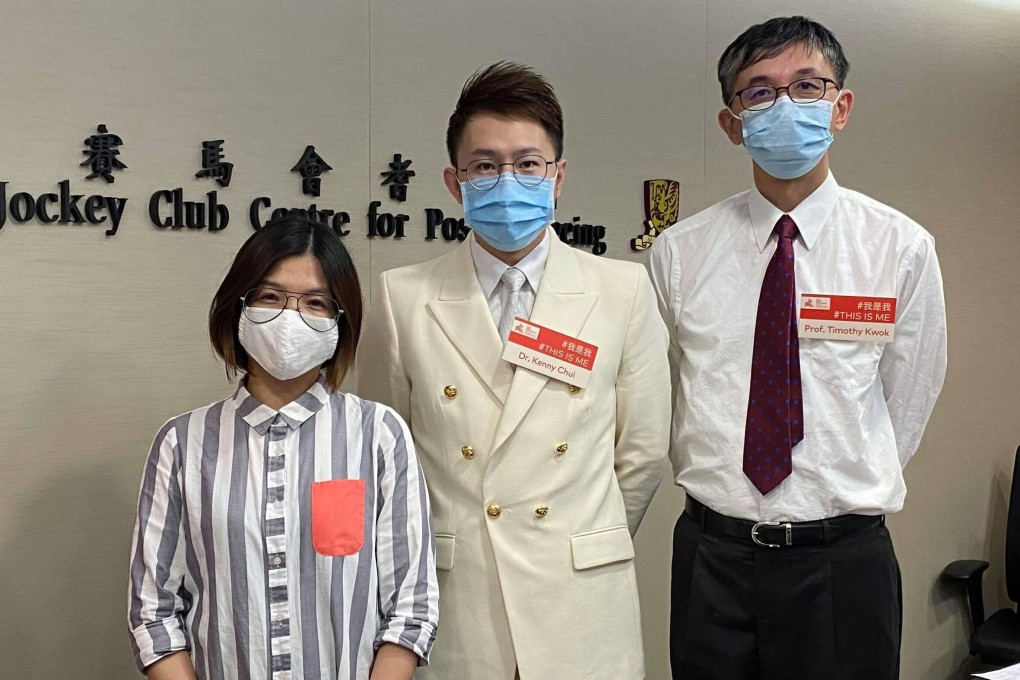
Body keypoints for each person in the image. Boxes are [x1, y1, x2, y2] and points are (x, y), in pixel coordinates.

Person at [649, 16, 947, 680]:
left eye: (807, 86)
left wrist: (835, 487)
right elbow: (663, 393)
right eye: (759, 92)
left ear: (840, 107)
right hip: (712, 558)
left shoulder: (899, 248)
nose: (785, 105)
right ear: (732, 123)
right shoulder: (679, 254)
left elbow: (910, 397)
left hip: (842, 563)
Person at [357, 62, 671, 680]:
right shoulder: (403, 297)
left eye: (528, 164)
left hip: (579, 595)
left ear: (557, 177)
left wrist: (583, 538)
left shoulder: (622, 289)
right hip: (459, 595)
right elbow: (387, 460)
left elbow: (642, 452)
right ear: (455, 182)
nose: (508, 179)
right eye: (484, 165)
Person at [127, 214, 438, 680]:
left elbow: (411, 607)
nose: (290, 317)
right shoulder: (182, 442)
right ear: (238, 306)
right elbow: (153, 612)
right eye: (270, 296)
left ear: (339, 323)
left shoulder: (379, 434)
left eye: (316, 303)